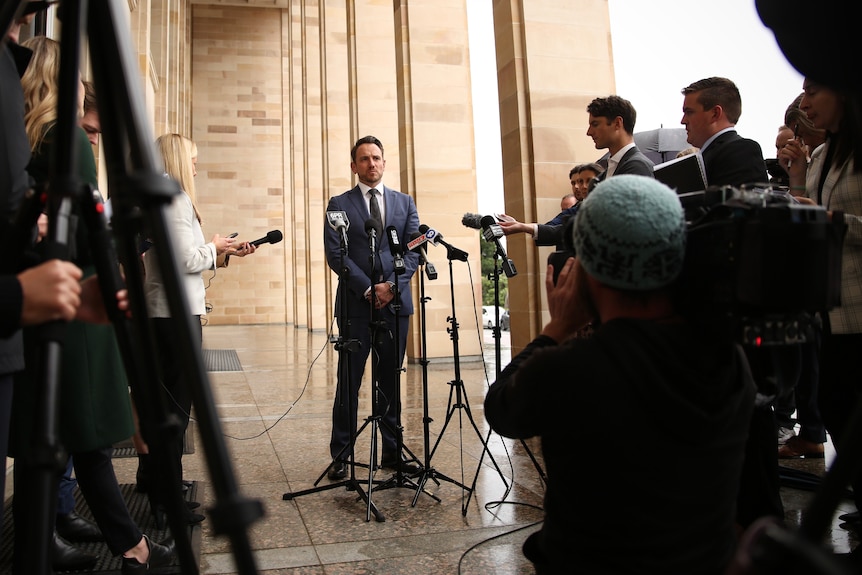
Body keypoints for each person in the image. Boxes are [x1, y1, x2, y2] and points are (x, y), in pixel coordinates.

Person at [484, 175, 755, 574]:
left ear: (586, 271)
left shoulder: (570, 368)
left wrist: (558, 327)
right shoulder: (727, 357)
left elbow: (502, 409)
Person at [10, 34, 175, 574]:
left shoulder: (23, 134)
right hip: (77, 301)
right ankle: (131, 546)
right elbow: (84, 229)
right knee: (88, 435)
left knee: (53, 434)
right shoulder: (66, 138)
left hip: (31, 302)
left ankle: (65, 536)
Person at [141, 133, 253, 526]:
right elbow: (184, 258)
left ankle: (158, 486)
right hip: (173, 318)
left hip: (165, 314)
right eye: (192, 158)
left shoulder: (165, 196)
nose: (196, 165)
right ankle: (165, 500)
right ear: (175, 159)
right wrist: (214, 245)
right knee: (174, 409)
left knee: (167, 407)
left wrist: (220, 253)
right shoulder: (175, 198)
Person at [778, 77, 862, 544]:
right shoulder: (826, 153)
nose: (805, 101)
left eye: (814, 91)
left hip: (859, 304)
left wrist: (832, 221)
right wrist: (795, 176)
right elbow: (810, 206)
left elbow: (830, 217)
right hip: (830, 307)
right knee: (835, 404)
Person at [323, 135, 421, 480]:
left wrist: (391, 287)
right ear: (354, 166)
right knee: (349, 382)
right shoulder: (338, 203)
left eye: (377, 158)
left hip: (395, 307)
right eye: (364, 159)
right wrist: (368, 289)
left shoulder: (404, 203)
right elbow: (337, 254)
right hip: (355, 307)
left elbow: (413, 249)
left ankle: (393, 453)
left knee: (389, 381)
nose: (371, 164)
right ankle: (342, 454)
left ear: (384, 161)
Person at [680, 77, 768, 187]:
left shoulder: (741, 150)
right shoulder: (710, 155)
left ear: (715, 114)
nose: (683, 121)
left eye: (689, 112)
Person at [586, 95, 654, 183]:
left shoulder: (638, 167)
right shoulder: (601, 177)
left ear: (617, 123)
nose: (589, 132)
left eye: (595, 124)